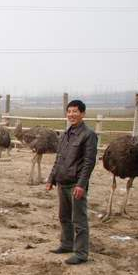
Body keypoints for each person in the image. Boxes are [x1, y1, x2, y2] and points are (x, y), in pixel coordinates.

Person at [46, 100, 98, 265]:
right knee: (64, 216)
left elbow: (89, 162)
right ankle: (67, 244)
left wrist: (81, 184)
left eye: (75, 111)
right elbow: (59, 159)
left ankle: (81, 253)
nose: (71, 114)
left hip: (75, 184)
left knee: (79, 219)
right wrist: (51, 178)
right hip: (62, 182)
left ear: (82, 113)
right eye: (69, 111)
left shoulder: (88, 135)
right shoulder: (65, 135)